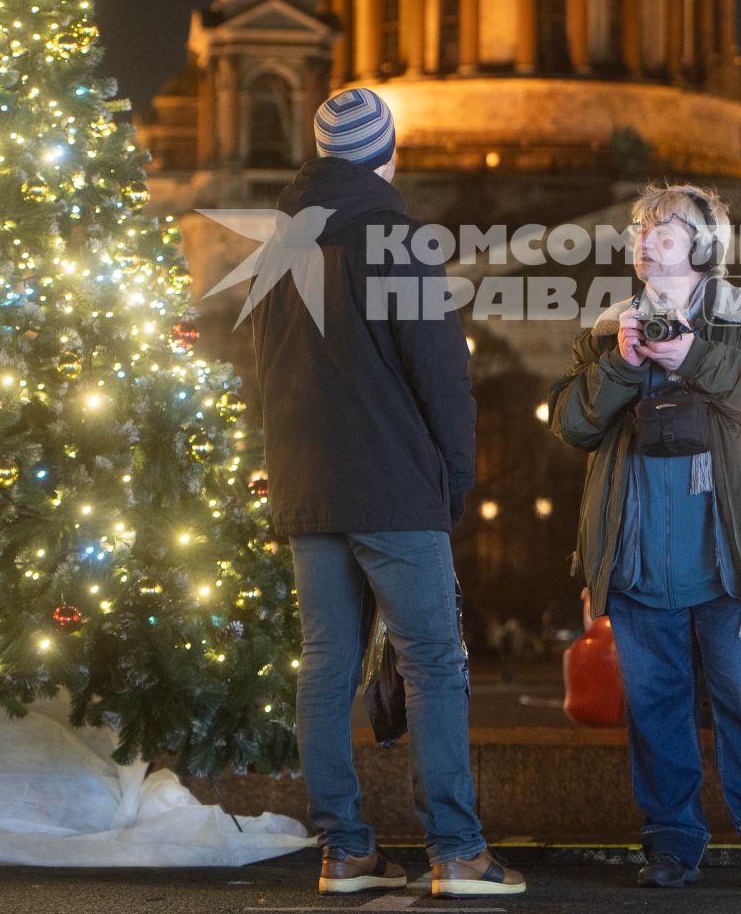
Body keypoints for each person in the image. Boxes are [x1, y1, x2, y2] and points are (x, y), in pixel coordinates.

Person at [247, 87, 524, 899]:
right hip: (393, 486)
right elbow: (442, 373)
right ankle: (458, 849)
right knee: (435, 662)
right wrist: (455, 480)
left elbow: (271, 377)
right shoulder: (396, 235)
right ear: (387, 153)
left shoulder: (280, 242)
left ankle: (345, 849)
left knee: (326, 665)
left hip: (309, 485)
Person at [546, 182, 741, 891]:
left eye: (665, 229)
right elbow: (569, 424)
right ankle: (670, 840)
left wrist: (693, 356)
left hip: (729, 557)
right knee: (657, 705)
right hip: (638, 557)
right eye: (640, 229)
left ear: (703, 246)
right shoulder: (609, 331)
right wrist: (622, 366)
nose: (646, 239)